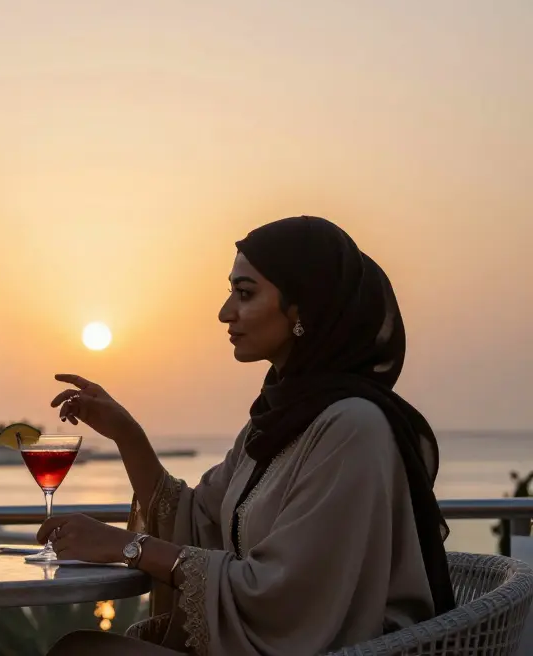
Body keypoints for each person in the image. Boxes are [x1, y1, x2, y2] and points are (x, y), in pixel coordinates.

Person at [42, 216, 454, 655]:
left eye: (245, 293)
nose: (225, 312)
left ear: (302, 309)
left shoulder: (352, 428)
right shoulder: (279, 420)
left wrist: (129, 545)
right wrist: (127, 434)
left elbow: (285, 598)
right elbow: (196, 522)